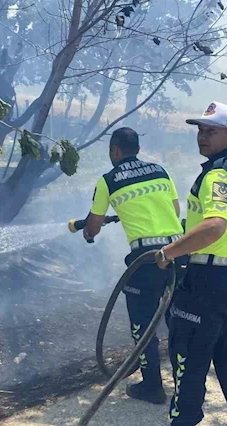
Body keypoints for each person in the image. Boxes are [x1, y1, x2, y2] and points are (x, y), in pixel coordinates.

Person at [154, 101, 227, 426]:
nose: (202, 137)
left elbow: (215, 225)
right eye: (200, 130)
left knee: (188, 360)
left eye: (212, 131)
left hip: (210, 283)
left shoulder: (217, 174)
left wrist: (170, 252)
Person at [82, 126, 184, 404]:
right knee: (179, 322)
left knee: (143, 325)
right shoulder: (160, 171)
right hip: (178, 253)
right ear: (137, 148)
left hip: (147, 261)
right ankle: (185, 387)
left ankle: (152, 388)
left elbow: (94, 224)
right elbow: (174, 211)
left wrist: (89, 232)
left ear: (115, 150)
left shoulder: (109, 181)